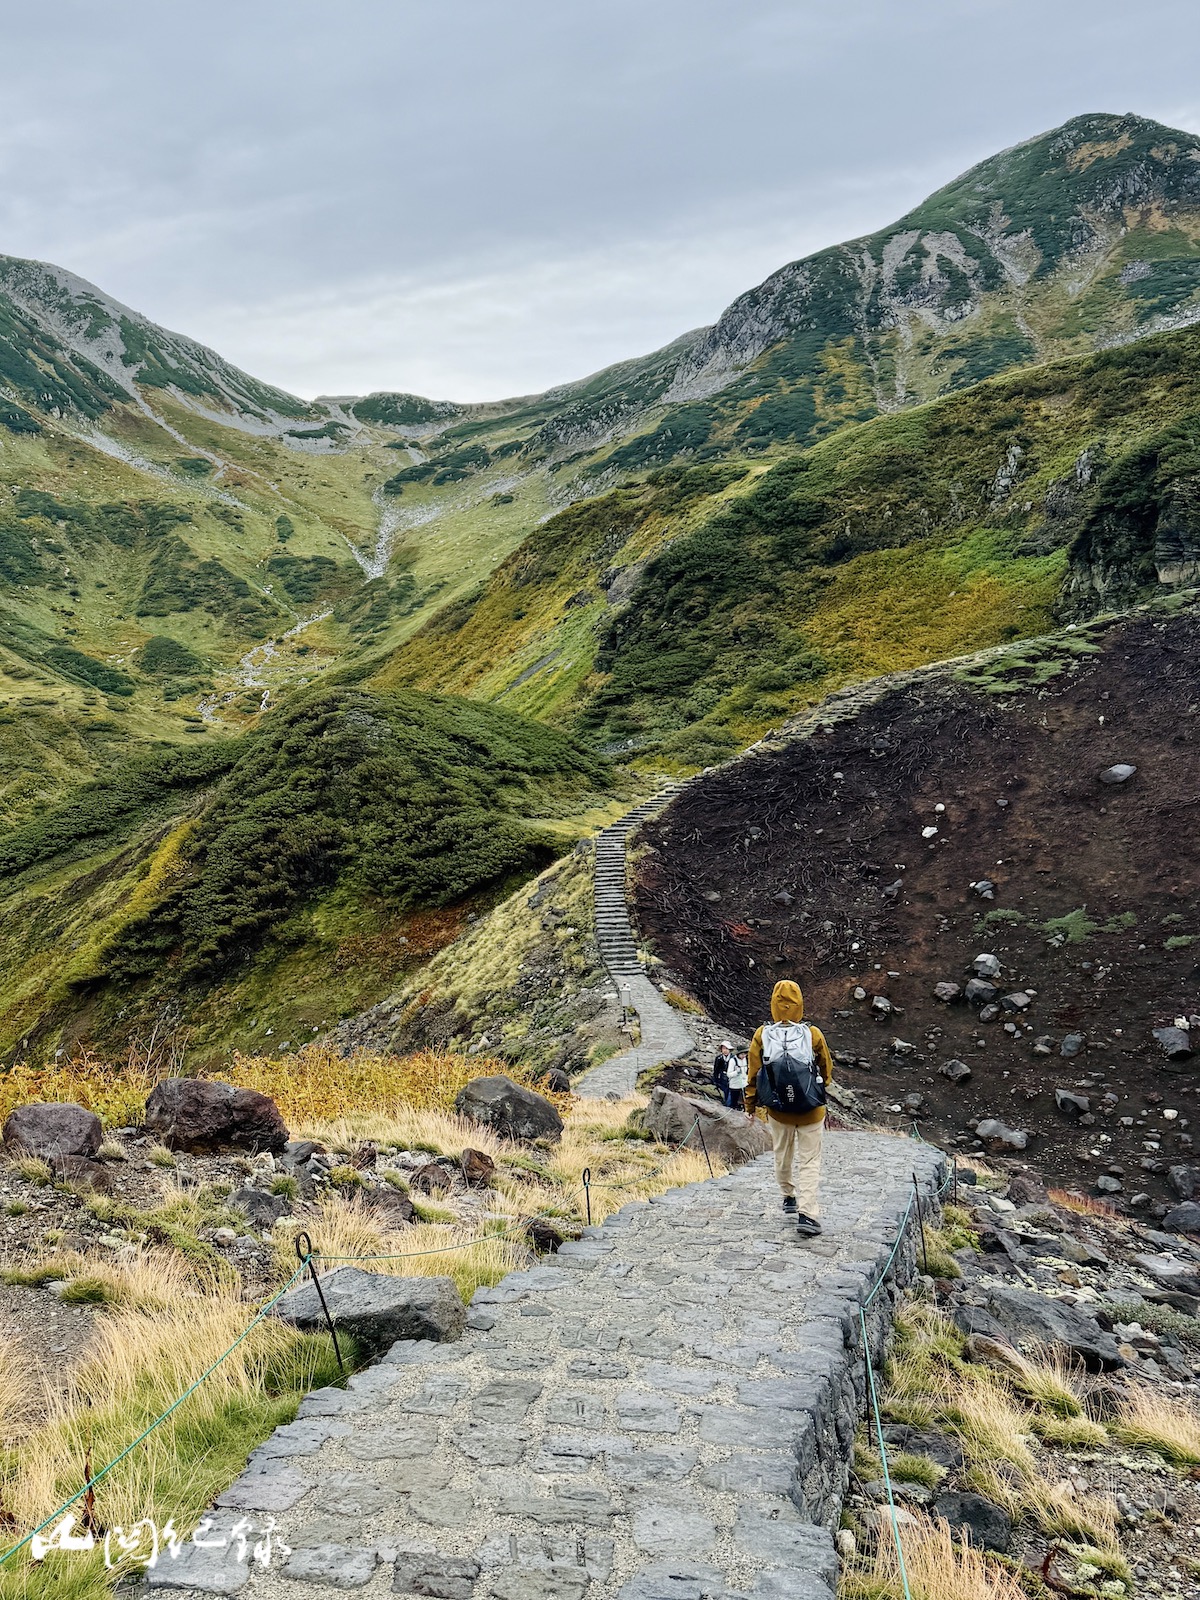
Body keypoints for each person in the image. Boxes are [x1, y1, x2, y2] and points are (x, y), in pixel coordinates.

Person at [745, 979, 834, 1237]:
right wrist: (818, 1086)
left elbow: (753, 1074)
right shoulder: (812, 1034)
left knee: (782, 1154)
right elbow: (826, 1069)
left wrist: (750, 1105)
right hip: (811, 1110)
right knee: (809, 1160)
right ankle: (808, 1214)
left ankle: (788, 1196)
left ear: (774, 1005)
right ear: (799, 1005)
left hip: (778, 1110)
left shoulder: (762, 1035)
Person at [712, 1040, 734, 1105]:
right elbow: (716, 1070)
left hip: (731, 1078)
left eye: (727, 1048)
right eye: (723, 1048)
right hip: (723, 1078)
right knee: (725, 1091)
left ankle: (729, 1105)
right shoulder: (719, 1058)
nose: (725, 1050)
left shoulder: (733, 1058)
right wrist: (715, 1079)